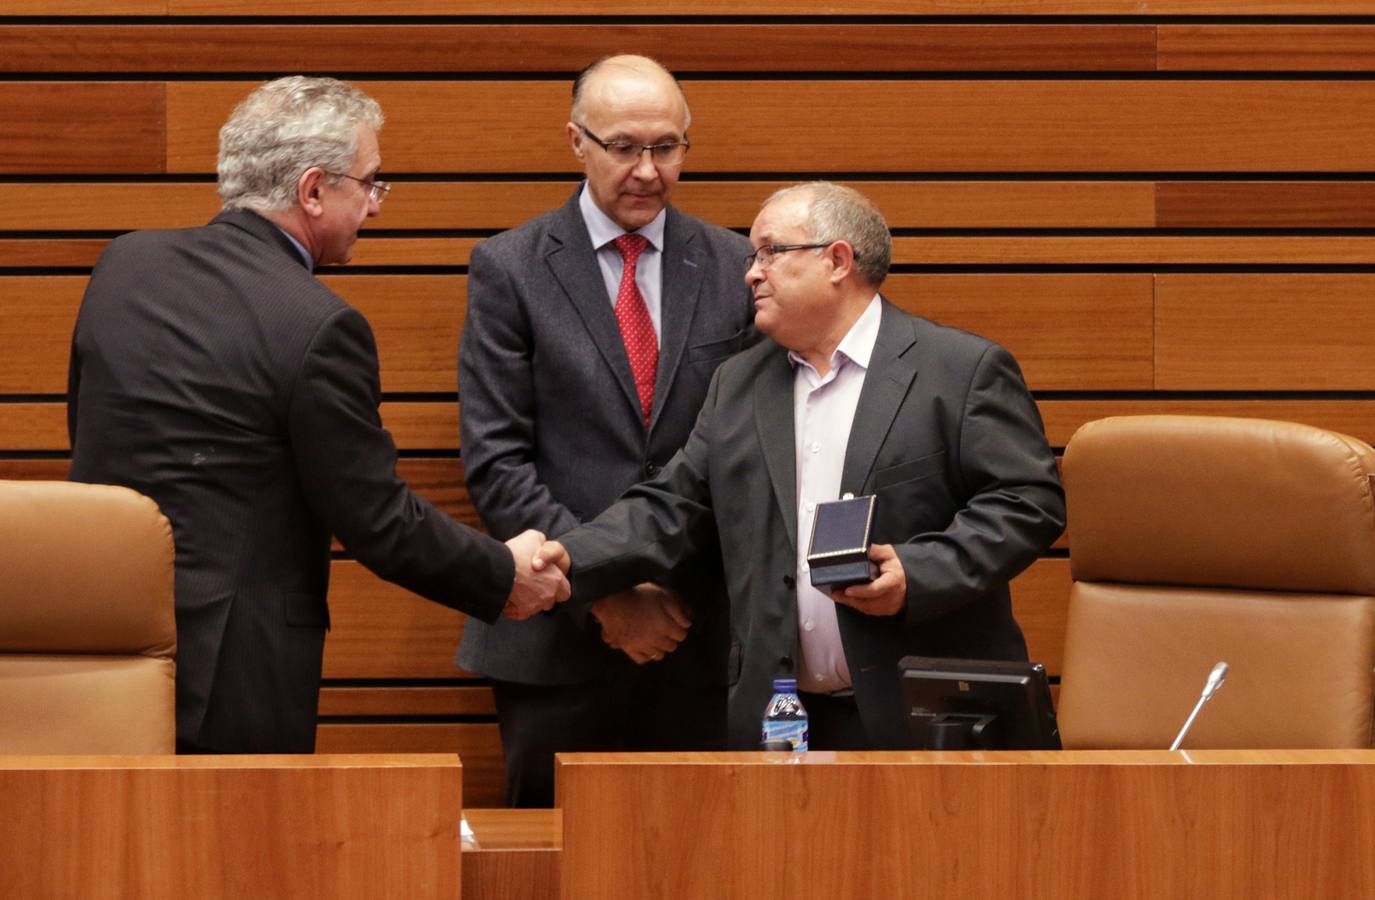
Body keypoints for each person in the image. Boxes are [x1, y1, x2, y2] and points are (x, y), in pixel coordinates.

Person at [66, 76, 568, 755]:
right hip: (235, 667)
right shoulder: (318, 324)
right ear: (312, 190)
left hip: (99, 643)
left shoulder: (124, 265)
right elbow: (375, 518)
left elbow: (89, 425)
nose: (375, 207)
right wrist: (500, 575)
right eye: (368, 183)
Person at [538, 182, 1066, 751]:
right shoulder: (738, 384)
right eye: (752, 256)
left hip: (926, 720)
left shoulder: (959, 370)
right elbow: (672, 505)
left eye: (770, 252)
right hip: (781, 725)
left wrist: (920, 572)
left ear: (837, 260)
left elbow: (1028, 501)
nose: (751, 273)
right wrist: (569, 555)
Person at [457, 55, 756, 806]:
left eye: (668, 147)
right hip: (553, 638)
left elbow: (748, 450)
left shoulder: (734, 265)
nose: (648, 171)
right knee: (550, 863)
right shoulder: (510, 267)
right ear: (576, 142)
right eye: (623, 146)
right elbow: (497, 462)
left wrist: (658, 591)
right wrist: (605, 591)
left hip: (698, 632)